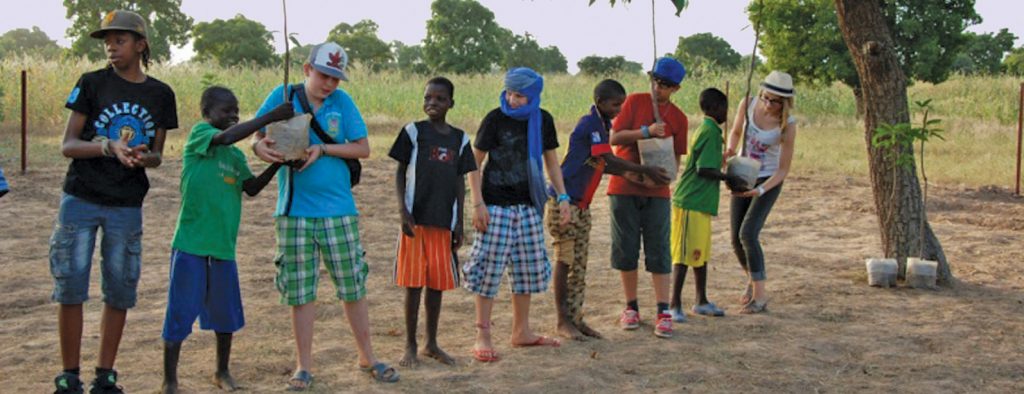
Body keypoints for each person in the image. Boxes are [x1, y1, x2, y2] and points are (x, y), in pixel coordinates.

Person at [251, 42, 398, 389]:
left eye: (336, 78)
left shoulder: (342, 103)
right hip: (293, 211)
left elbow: (362, 147)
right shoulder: (282, 95)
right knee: (300, 291)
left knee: (352, 286)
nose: (329, 84)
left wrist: (324, 148)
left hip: (339, 209)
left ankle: (368, 356)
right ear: (306, 69)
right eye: (324, 75)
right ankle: (304, 365)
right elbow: (257, 137)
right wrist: (261, 149)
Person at [50, 10, 178, 394]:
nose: (111, 46)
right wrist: (107, 146)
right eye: (107, 40)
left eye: (120, 39)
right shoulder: (91, 84)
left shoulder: (160, 94)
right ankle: (69, 376)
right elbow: (68, 145)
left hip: (126, 204)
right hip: (81, 198)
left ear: (141, 45)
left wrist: (143, 156)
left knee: (119, 287)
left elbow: (157, 154)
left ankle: (105, 375)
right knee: (71, 284)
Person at [160, 86, 293, 394]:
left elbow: (252, 188)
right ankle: (169, 379)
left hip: (223, 248)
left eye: (236, 111)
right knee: (179, 314)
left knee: (225, 315)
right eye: (226, 111)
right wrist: (269, 117)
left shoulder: (234, 157)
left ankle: (222, 371)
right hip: (191, 246)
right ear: (206, 114)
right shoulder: (200, 137)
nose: (233, 116)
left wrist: (279, 162)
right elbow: (227, 136)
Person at [546, 79, 669, 341]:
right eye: (615, 104)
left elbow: (602, 163)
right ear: (600, 101)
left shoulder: (602, 125)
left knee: (579, 266)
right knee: (565, 259)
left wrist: (629, 172)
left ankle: (576, 318)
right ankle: (562, 320)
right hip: (564, 201)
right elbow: (608, 159)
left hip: (582, 204)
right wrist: (643, 169)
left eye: (621, 104)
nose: (619, 109)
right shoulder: (589, 124)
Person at [464, 67, 571, 362]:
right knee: (487, 270)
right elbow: (473, 163)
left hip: (529, 206)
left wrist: (562, 197)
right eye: (510, 92)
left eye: (520, 95)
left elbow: (551, 163)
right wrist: (477, 203)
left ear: (533, 95)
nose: (512, 99)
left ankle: (521, 331)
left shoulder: (543, 120)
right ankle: (482, 334)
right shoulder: (494, 119)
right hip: (494, 206)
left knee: (526, 271)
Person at [388, 77, 476, 367]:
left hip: (443, 222)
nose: (432, 103)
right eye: (428, 98)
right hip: (416, 222)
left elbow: (459, 181)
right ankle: (410, 345)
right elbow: (401, 172)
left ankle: (431, 343)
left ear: (451, 103)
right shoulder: (413, 132)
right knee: (413, 284)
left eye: (439, 99)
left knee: (436, 284)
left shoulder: (460, 139)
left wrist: (459, 223)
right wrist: (403, 211)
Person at [607, 57, 688, 338]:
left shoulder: (679, 118)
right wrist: (646, 132)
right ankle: (631, 306)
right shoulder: (634, 102)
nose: (658, 88)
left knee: (659, 250)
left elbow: (676, 160)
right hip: (624, 186)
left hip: (657, 192)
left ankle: (663, 310)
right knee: (626, 248)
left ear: (676, 88)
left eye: (665, 85)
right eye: (655, 80)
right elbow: (614, 138)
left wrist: (664, 176)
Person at [669, 88, 746, 322]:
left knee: (700, 254)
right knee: (682, 256)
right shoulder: (710, 131)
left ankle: (701, 300)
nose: (727, 113)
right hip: (690, 201)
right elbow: (704, 170)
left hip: (702, 204)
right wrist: (730, 178)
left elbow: (709, 162)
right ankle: (673, 304)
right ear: (713, 108)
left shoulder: (711, 130)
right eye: (724, 108)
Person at [725, 70, 798, 314]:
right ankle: (752, 278)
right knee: (735, 238)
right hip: (742, 173)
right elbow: (735, 132)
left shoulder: (787, 125)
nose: (768, 104)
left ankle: (760, 296)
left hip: (767, 179)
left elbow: (783, 169)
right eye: (765, 97)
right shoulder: (747, 103)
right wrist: (730, 150)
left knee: (748, 233)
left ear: (785, 103)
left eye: (775, 101)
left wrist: (761, 190)